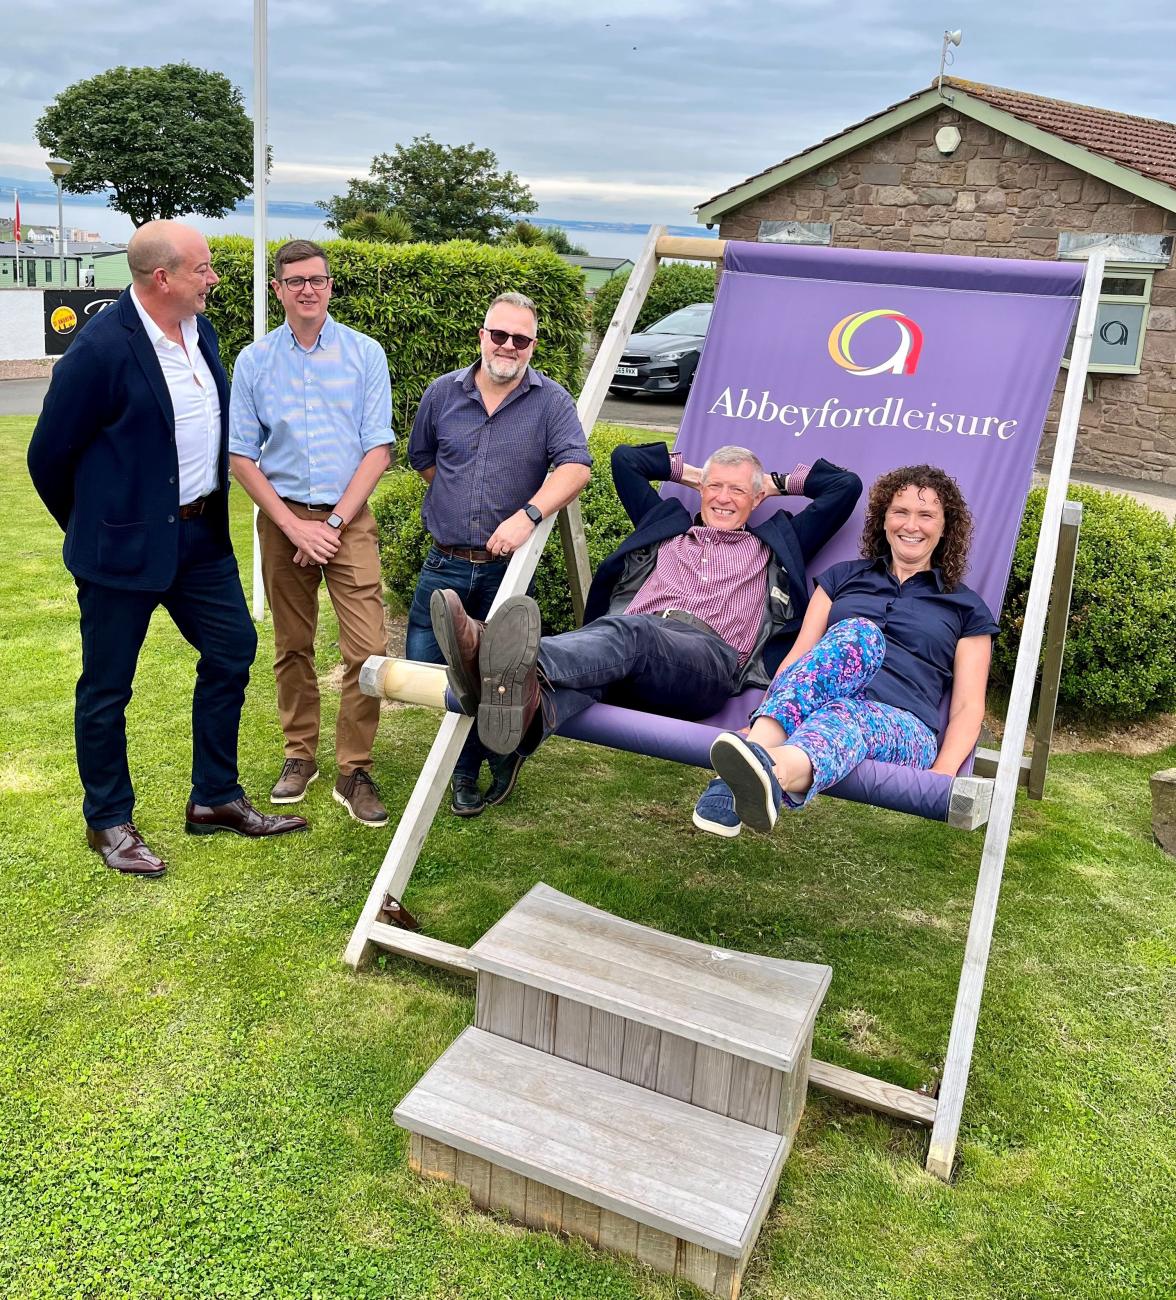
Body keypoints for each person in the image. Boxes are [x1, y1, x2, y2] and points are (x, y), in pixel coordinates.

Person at [27, 220, 307, 880]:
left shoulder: (200, 330)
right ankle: (109, 821)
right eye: (203, 269)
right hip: (120, 553)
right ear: (164, 278)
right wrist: (95, 527)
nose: (213, 278)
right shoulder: (99, 350)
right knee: (107, 690)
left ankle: (213, 797)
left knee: (233, 648)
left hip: (201, 539)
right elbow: (47, 456)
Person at [430, 441, 862, 783]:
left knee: (631, 634)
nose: (724, 498)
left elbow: (845, 487)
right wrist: (695, 475)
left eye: (737, 490)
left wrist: (774, 480)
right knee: (593, 668)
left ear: (756, 499)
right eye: (715, 487)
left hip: (706, 661)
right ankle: (522, 714)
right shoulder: (667, 523)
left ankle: (497, 655)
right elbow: (626, 460)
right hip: (630, 653)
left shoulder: (776, 543)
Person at [693, 464, 998, 837]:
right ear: (883, 520)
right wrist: (766, 714)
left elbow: (968, 705)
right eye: (900, 512)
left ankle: (750, 778)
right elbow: (802, 658)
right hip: (815, 712)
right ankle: (762, 750)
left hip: (903, 726)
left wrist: (943, 773)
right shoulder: (843, 577)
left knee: (849, 709)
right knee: (857, 634)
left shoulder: (966, 607)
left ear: (945, 525)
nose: (911, 525)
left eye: (926, 515)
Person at [405, 291, 593, 817]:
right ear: (481, 335)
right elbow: (422, 457)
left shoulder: (551, 401)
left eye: (521, 339)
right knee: (434, 669)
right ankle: (484, 755)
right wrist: (457, 502)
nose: (508, 346)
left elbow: (576, 467)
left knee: (501, 675)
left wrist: (526, 516)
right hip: (442, 561)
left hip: (506, 573)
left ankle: (484, 763)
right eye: (500, 334)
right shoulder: (443, 393)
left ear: (532, 346)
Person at [229, 240, 394, 827]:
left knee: (368, 648)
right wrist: (295, 526)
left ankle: (354, 767)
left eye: (317, 280)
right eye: (295, 280)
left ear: (330, 286)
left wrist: (329, 524)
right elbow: (242, 457)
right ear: (278, 289)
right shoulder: (253, 362)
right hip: (282, 522)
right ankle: (300, 755)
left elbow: (379, 447)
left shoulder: (364, 354)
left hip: (345, 519)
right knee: (291, 646)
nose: (307, 289)